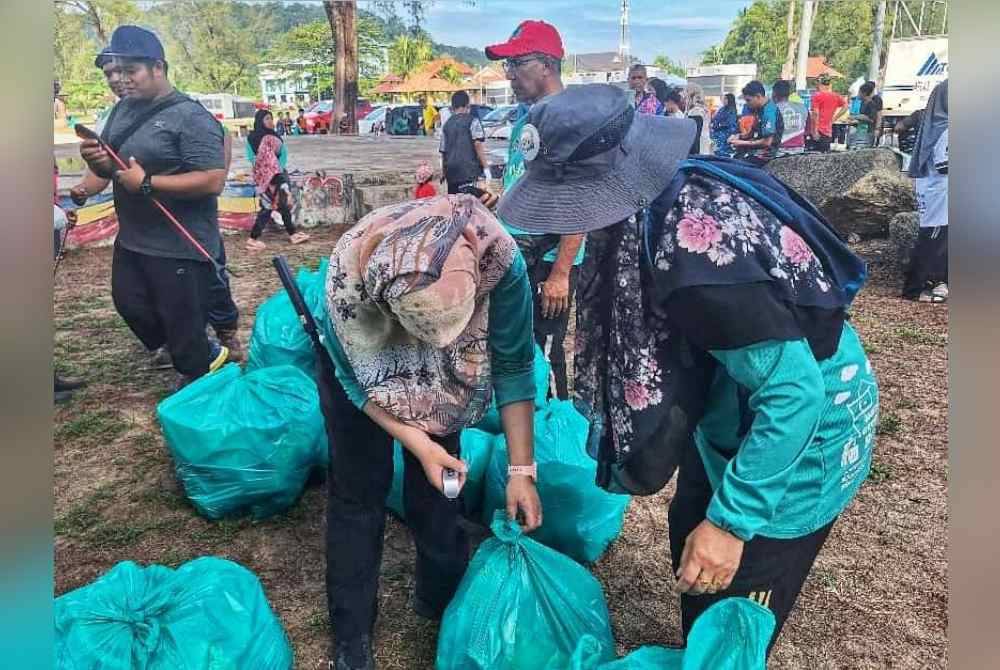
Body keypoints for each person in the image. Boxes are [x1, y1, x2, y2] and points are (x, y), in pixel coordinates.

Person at [498, 82, 879, 658]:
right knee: (690, 546)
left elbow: (794, 395)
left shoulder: (696, 256)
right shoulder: (656, 203)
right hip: (731, 412)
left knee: (730, 606)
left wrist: (731, 524)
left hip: (800, 432)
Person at [319, 195, 542, 670]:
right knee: (359, 491)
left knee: (444, 486)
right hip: (362, 375)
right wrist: (417, 442)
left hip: (445, 386)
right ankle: (352, 630)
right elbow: (347, 378)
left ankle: (441, 596)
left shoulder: (500, 262)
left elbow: (514, 365)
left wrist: (522, 470)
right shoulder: (347, 277)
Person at [78, 25, 230, 389]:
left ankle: (204, 367)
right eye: (113, 72)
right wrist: (91, 175)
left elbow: (213, 179)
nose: (119, 80)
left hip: (180, 244)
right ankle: (184, 347)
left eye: (130, 71)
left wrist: (148, 183)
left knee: (182, 324)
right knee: (129, 303)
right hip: (133, 237)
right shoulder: (120, 113)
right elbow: (111, 167)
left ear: (158, 67)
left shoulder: (191, 117)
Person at [485, 19, 586, 401]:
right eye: (506, 65)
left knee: (546, 350)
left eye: (516, 63)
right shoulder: (527, 118)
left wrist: (561, 272)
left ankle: (548, 431)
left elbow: (580, 199)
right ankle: (520, 423)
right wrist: (501, 201)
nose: (508, 74)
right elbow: (526, 182)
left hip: (548, 259)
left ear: (545, 65)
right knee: (515, 343)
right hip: (515, 252)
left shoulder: (568, 119)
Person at [903, 80, 948, 303]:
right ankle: (913, 289)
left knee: (935, 239)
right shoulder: (946, 128)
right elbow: (944, 164)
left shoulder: (933, 123)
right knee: (931, 240)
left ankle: (935, 281)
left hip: (931, 189)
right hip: (940, 193)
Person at [245, 109, 310, 250]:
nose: (270, 121)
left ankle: (292, 235)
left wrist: (276, 168)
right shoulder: (252, 138)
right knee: (269, 207)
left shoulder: (275, 137)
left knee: (281, 205)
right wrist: (265, 166)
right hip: (264, 179)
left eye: (271, 118)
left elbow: (283, 154)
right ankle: (253, 239)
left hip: (277, 175)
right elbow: (251, 157)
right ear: (260, 120)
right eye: (267, 119)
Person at [439, 90, 490, 195]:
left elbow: (443, 151)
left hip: (451, 174)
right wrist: (486, 168)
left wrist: (444, 173)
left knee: (455, 205)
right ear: (468, 105)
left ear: (452, 107)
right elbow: (478, 144)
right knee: (472, 205)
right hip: (470, 172)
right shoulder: (473, 121)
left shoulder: (446, 125)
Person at [730, 80, 783, 166]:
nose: (747, 104)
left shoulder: (768, 112)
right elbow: (754, 131)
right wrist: (738, 136)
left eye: (748, 100)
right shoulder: (759, 109)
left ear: (758, 96)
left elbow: (767, 142)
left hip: (765, 154)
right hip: (754, 149)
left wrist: (741, 142)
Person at [807, 74, 847, 153]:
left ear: (820, 84)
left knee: (813, 157)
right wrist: (834, 118)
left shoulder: (817, 96)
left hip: (818, 130)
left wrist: (814, 131)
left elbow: (816, 114)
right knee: (825, 156)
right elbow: (845, 107)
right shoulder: (836, 96)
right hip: (828, 131)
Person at [772, 79, 807, 156]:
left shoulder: (772, 109)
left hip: (779, 151)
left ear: (774, 93)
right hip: (799, 149)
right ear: (789, 93)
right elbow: (808, 130)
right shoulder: (803, 107)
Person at [849, 81, 883, 148]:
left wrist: (857, 117)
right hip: (861, 131)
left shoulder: (872, 103)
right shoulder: (862, 102)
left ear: (864, 93)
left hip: (868, 132)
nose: (858, 94)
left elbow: (872, 119)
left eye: (859, 92)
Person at [684, 84, 711, 155]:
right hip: (702, 147)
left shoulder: (696, 111)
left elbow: (695, 134)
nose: (684, 99)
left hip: (698, 151)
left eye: (685, 97)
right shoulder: (702, 109)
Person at [710, 93, 739, 157]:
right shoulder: (722, 109)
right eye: (724, 98)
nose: (724, 100)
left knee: (720, 140)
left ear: (730, 100)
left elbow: (730, 123)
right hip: (718, 130)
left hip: (726, 131)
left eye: (726, 98)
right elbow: (715, 118)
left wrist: (719, 125)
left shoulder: (732, 110)